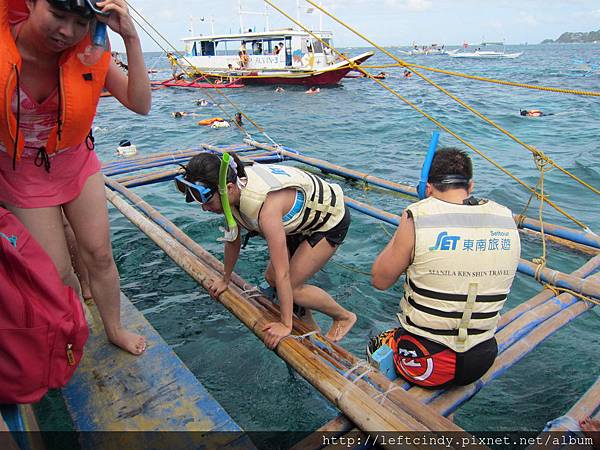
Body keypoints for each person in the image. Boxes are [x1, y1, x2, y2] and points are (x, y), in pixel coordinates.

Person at [0, 0, 151, 355]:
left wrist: (130, 37)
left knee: (99, 255)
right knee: (57, 270)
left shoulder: (88, 54)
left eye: (79, 22)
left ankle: (114, 328)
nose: (66, 32)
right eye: (57, 15)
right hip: (21, 172)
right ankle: (76, 327)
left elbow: (141, 104)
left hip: (76, 162)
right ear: (32, 3)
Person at [370, 148, 521, 388]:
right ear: (470, 186)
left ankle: (385, 408)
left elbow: (379, 279)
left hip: (430, 364)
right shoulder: (505, 217)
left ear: (428, 188)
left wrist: (405, 226)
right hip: (482, 358)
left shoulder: (419, 216)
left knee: (377, 343)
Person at [176, 153, 357, 349]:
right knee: (271, 279)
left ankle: (343, 317)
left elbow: (283, 272)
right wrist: (225, 279)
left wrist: (285, 325)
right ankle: (308, 326)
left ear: (228, 188)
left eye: (208, 203)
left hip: (327, 222)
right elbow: (232, 242)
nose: (204, 209)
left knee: (291, 288)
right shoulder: (233, 191)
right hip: (298, 222)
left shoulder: (266, 211)